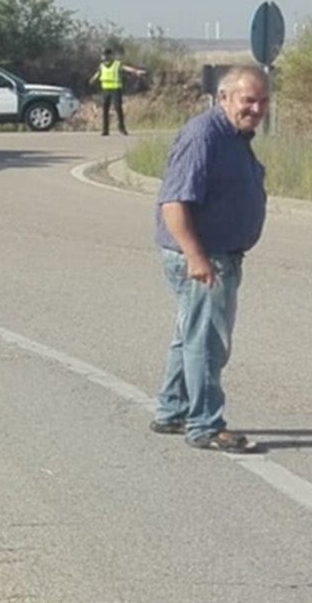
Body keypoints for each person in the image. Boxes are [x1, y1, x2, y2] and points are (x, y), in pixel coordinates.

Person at [151, 65, 269, 453]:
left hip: (216, 253)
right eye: (248, 100)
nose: (256, 108)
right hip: (205, 256)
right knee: (207, 341)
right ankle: (204, 424)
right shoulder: (204, 135)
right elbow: (174, 203)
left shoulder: (235, 136)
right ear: (223, 98)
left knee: (190, 334)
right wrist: (196, 257)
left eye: (263, 101)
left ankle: (173, 409)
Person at [92, 47, 147, 135]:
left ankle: (121, 127)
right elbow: (98, 73)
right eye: (103, 55)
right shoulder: (102, 66)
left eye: (106, 55)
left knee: (118, 108)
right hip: (105, 89)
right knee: (105, 110)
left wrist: (136, 72)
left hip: (115, 89)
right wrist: (93, 79)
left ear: (110, 55)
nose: (104, 57)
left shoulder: (116, 64)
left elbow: (126, 68)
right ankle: (105, 130)